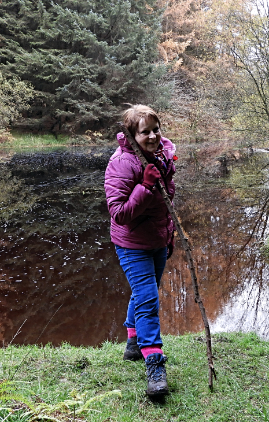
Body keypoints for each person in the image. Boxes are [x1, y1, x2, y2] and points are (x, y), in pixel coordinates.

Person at [104, 104, 176, 398]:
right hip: (131, 243)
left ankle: (133, 342)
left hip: (158, 239)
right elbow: (118, 213)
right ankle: (154, 365)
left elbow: (166, 200)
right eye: (145, 131)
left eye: (155, 129)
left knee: (143, 291)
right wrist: (145, 187)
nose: (152, 136)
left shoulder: (162, 156)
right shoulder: (122, 163)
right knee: (147, 297)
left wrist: (168, 234)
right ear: (132, 134)